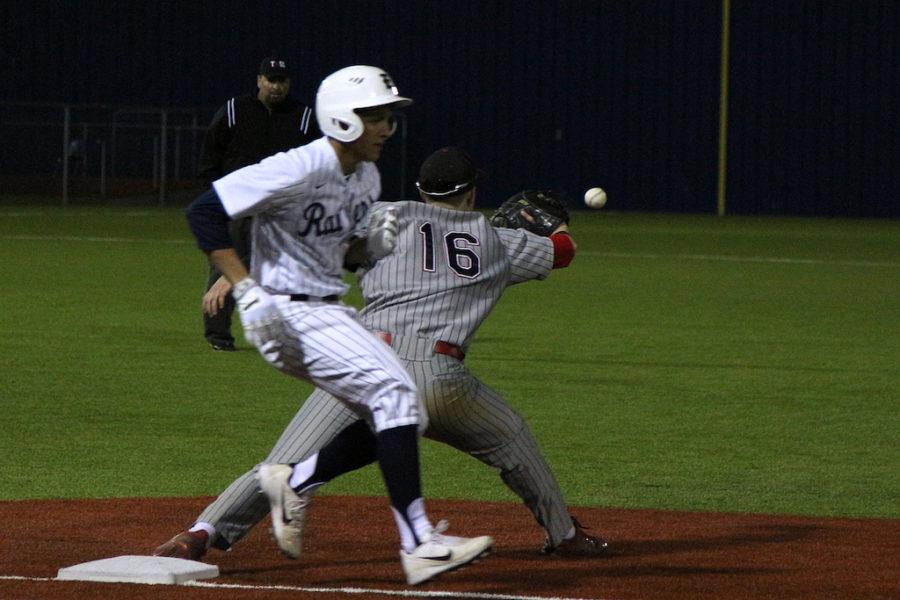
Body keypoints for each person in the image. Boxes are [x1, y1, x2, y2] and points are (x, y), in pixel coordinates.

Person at [155, 147, 609, 575]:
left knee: (285, 461)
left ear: (420, 190)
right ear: (471, 192)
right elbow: (564, 253)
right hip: (438, 377)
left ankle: (199, 533)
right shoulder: (496, 239)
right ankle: (564, 534)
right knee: (512, 439)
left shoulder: (383, 216)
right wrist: (554, 227)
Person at [177, 66, 493, 586]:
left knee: (398, 413)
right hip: (286, 313)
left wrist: (367, 249)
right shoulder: (296, 168)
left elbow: (336, 254)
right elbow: (204, 212)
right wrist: (244, 286)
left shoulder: (365, 177)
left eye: (388, 116)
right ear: (343, 120)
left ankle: (293, 481)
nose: (387, 127)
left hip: (324, 309)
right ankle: (417, 543)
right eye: (376, 117)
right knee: (395, 394)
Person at [199, 55, 319, 351]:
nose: (276, 86)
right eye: (271, 79)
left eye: (282, 80)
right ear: (259, 80)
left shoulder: (303, 116)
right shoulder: (234, 110)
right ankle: (218, 334)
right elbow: (211, 152)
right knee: (226, 268)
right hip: (239, 205)